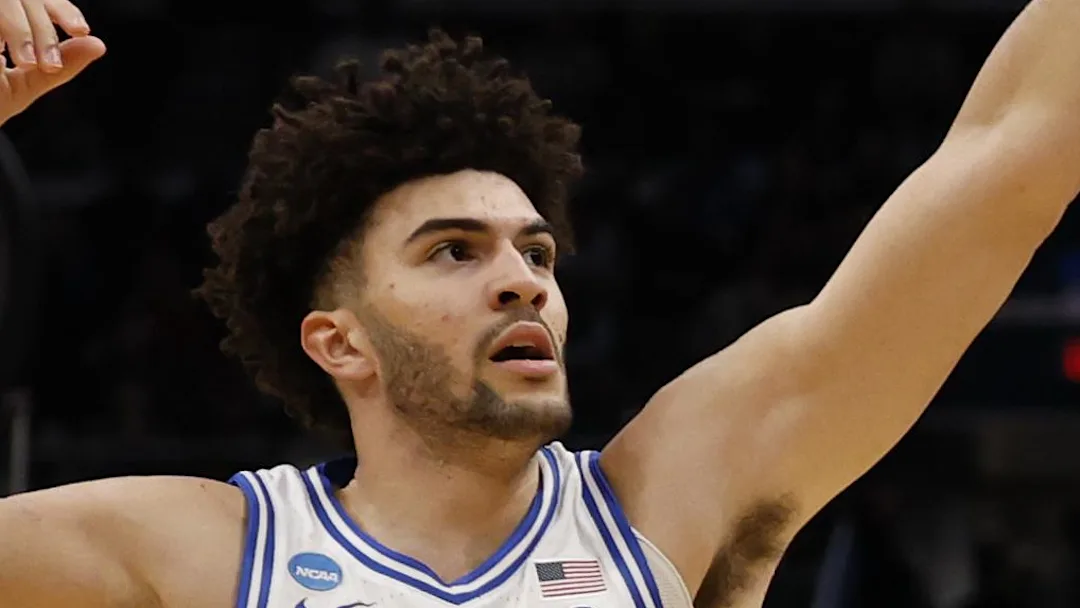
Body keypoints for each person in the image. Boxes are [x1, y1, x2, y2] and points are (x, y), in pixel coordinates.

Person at [1, 0, 1078, 606]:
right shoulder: (205, 550)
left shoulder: (665, 504)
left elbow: (1006, 162)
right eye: (452, 252)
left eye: (537, 251)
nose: (522, 279)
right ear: (339, 340)